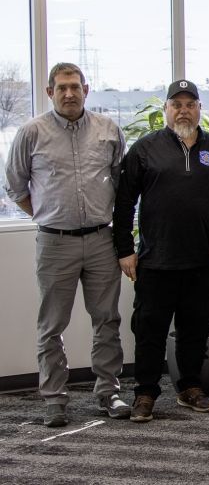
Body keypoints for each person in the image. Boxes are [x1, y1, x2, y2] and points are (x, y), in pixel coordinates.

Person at [4, 62, 129, 427]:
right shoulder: (31, 132)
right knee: (52, 325)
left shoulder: (108, 130)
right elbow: (15, 187)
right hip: (55, 242)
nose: (69, 93)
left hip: (101, 240)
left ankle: (109, 392)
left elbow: (121, 183)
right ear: (50, 92)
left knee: (107, 319)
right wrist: (48, 214)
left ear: (86, 90)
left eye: (75, 87)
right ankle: (54, 399)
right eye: (62, 88)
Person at [113, 79, 209, 423]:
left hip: (201, 260)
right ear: (166, 109)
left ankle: (190, 387)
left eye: (190, 104)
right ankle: (145, 393)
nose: (184, 110)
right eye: (177, 104)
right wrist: (125, 249)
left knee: (196, 330)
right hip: (156, 260)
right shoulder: (145, 149)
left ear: (199, 109)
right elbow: (124, 203)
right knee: (149, 330)